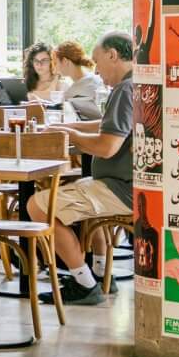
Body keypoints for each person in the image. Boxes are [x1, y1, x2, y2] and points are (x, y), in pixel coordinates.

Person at [31, 33, 139, 304]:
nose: (96, 69)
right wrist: (66, 127)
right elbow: (108, 126)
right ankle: (103, 275)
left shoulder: (125, 90)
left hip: (119, 189)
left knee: (38, 206)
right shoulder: (134, 85)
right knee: (81, 192)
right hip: (124, 185)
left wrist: (70, 136)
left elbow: (107, 146)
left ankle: (84, 282)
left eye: (98, 60)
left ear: (113, 55)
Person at [54, 40, 105, 118]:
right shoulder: (96, 79)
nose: (54, 68)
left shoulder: (73, 92)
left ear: (65, 61)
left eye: (55, 63)